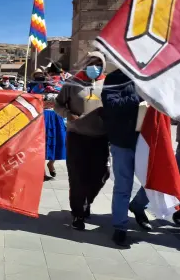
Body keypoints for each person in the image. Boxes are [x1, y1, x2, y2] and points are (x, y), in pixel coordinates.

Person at [54, 52, 110, 231]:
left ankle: (87, 201)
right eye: (90, 63)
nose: (94, 66)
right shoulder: (71, 84)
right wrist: (67, 114)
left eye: (98, 63)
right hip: (77, 136)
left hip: (101, 138)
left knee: (101, 175)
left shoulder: (108, 84)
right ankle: (77, 212)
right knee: (77, 177)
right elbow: (58, 104)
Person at [101, 69, 154, 246]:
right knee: (123, 185)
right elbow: (111, 105)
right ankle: (120, 227)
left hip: (148, 141)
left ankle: (138, 206)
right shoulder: (115, 78)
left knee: (153, 182)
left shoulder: (153, 75)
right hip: (123, 141)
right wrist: (139, 95)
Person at [31, 67, 66, 181]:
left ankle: (51, 163)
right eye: (51, 73)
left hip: (57, 116)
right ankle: (42, 172)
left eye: (56, 73)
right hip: (43, 117)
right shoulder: (39, 86)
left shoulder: (63, 86)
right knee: (42, 143)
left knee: (59, 141)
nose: (53, 76)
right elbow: (31, 98)